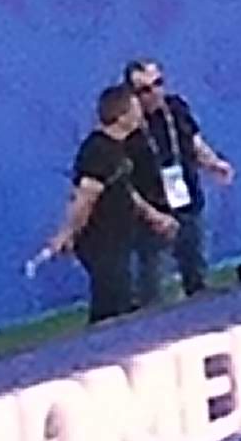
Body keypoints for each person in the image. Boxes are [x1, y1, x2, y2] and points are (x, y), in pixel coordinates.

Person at [32, 82, 172, 324]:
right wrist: (66, 234)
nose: (140, 114)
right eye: (135, 109)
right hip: (102, 243)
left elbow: (125, 190)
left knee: (124, 298)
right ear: (121, 116)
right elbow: (84, 198)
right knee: (111, 304)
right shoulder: (97, 150)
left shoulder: (119, 149)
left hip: (120, 239)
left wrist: (153, 215)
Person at [124, 57, 234, 301]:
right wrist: (149, 213)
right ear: (132, 94)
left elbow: (194, 142)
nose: (154, 93)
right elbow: (123, 180)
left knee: (197, 275)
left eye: (158, 84)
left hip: (186, 200)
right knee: (151, 288)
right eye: (144, 90)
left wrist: (214, 163)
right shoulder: (127, 125)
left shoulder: (176, 108)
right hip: (153, 212)